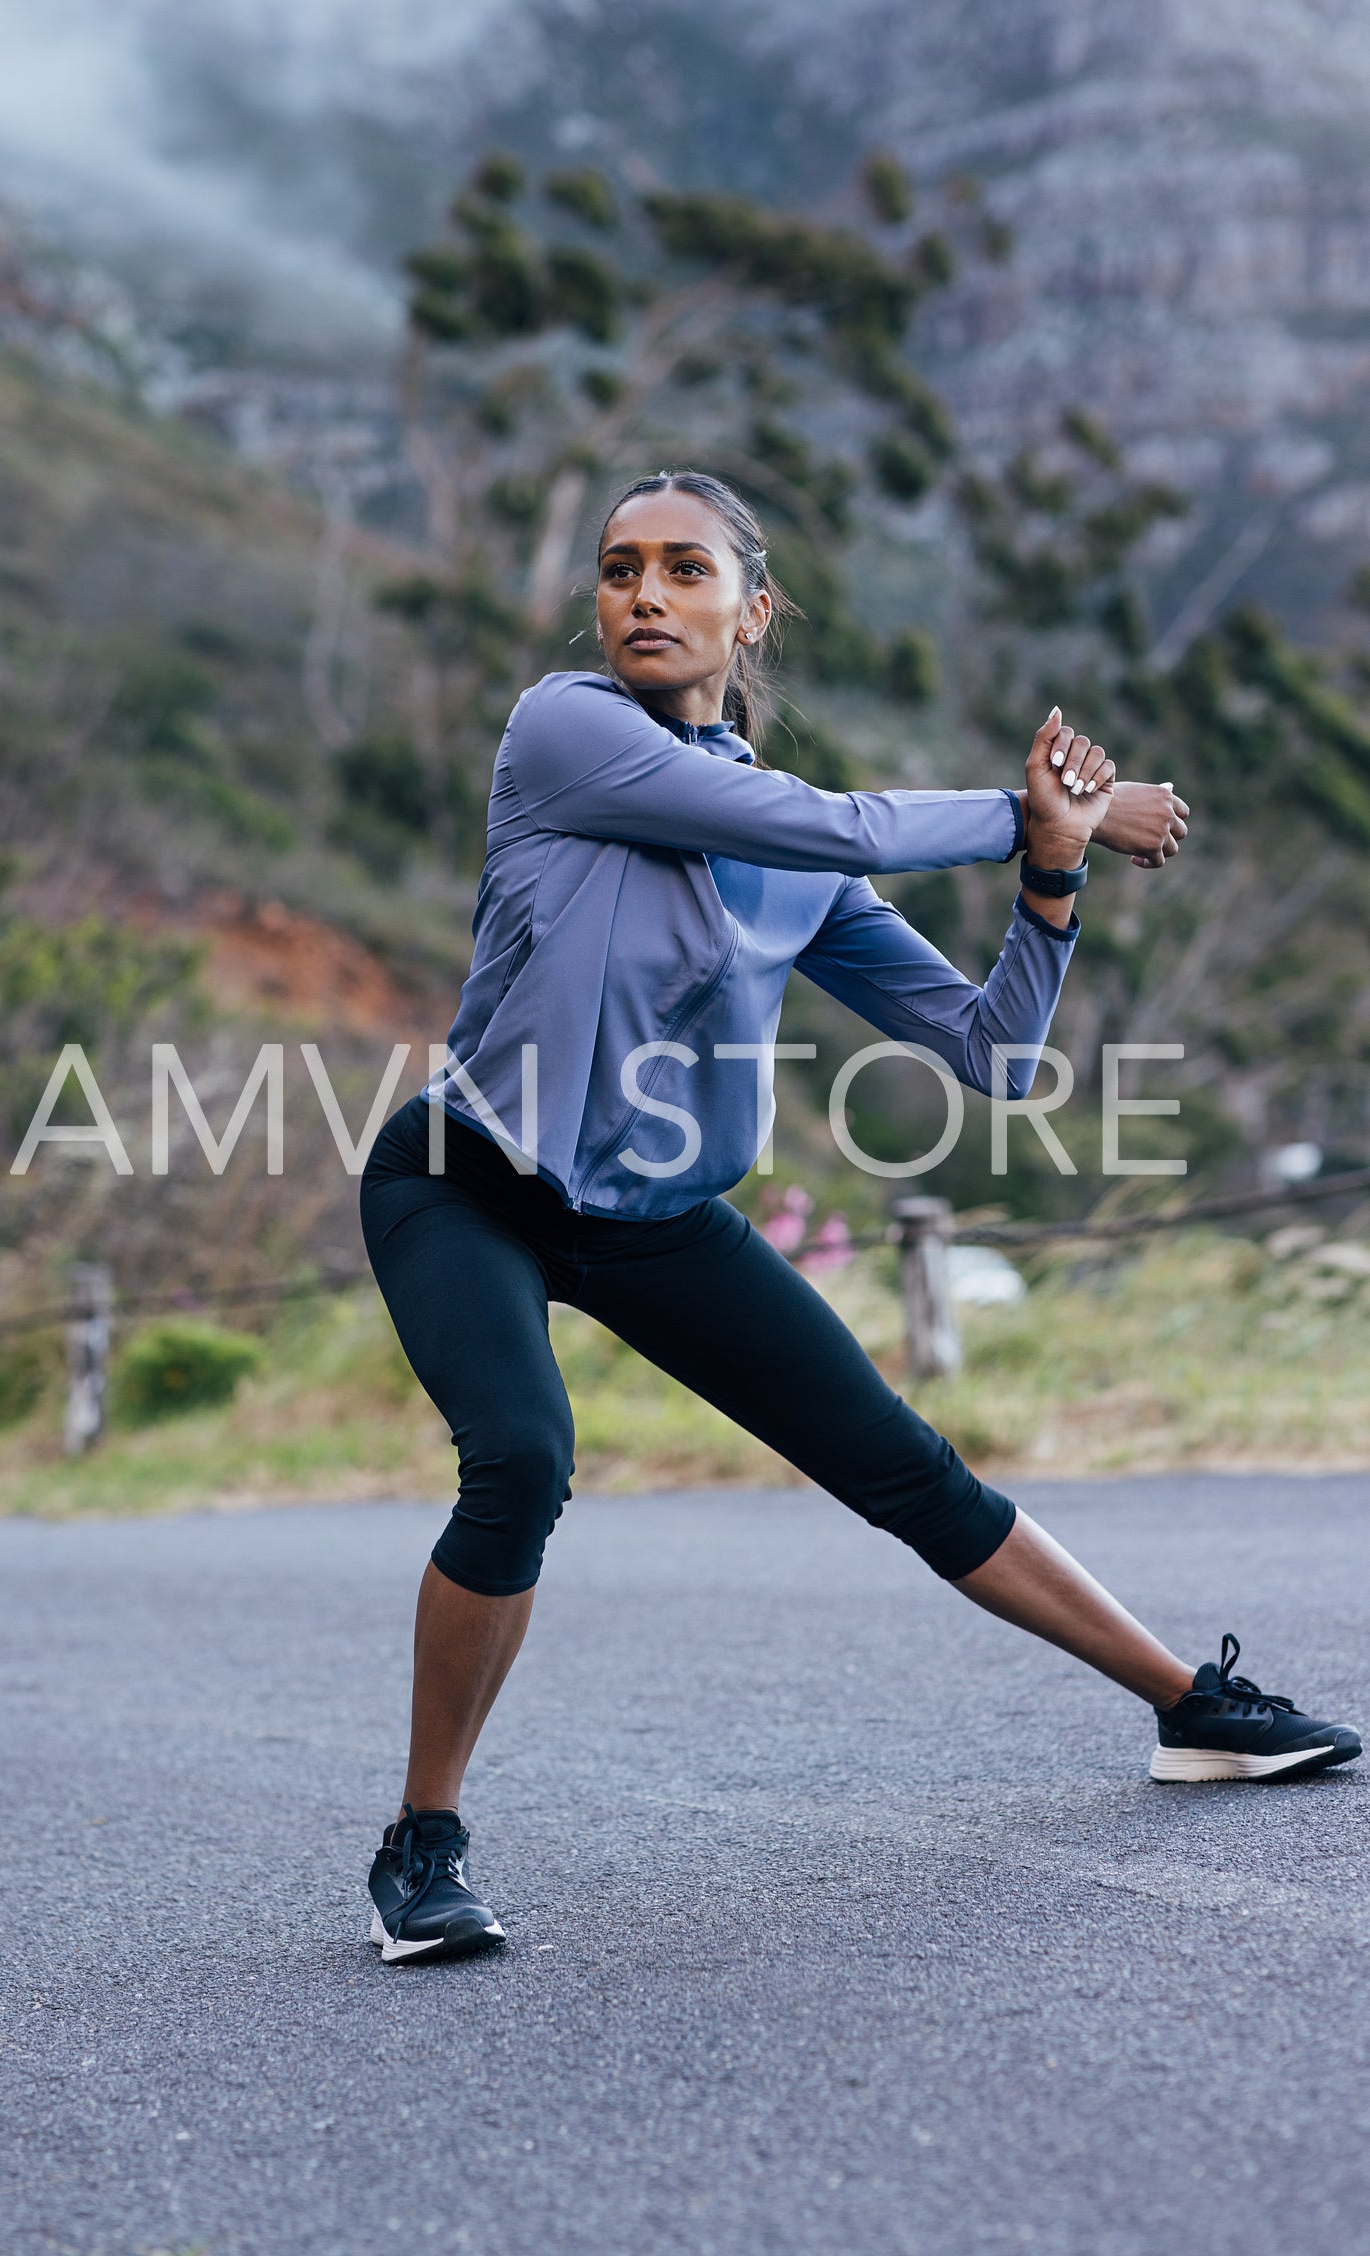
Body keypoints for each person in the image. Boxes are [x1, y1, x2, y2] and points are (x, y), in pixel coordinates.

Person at [359, 469, 1361, 1964]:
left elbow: (991, 1058)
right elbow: (832, 822)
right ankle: (421, 1841)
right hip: (467, 1178)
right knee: (519, 1457)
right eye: (620, 567)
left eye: (683, 570)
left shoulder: (791, 863)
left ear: (747, 612)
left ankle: (1190, 1708)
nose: (642, 594)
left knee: (905, 1468)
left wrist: (1049, 879)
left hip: (657, 1215)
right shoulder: (560, 732)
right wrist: (1030, 806)